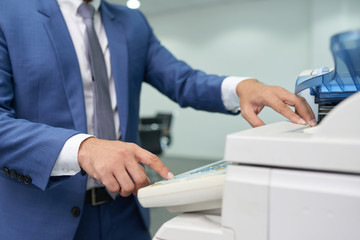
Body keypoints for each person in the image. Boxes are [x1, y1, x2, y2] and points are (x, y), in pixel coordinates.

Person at [0, 0, 315, 239]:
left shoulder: (131, 22)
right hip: (40, 216)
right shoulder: (9, 12)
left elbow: (182, 80)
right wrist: (85, 149)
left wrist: (242, 87)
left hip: (126, 211)